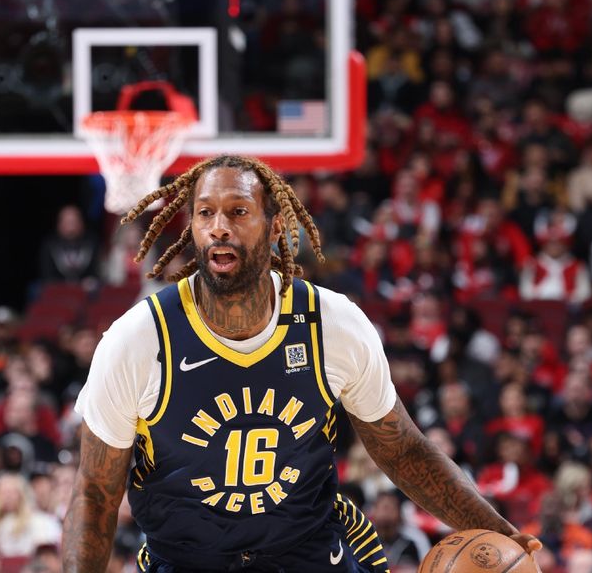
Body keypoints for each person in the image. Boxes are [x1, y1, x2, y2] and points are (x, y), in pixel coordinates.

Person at [63, 155, 541, 572]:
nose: (219, 227)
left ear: (275, 226)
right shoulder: (138, 339)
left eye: (238, 211)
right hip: (187, 556)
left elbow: (404, 452)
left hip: (308, 550)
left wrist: (500, 533)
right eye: (205, 213)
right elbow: (95, 493)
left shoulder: (332, 325)